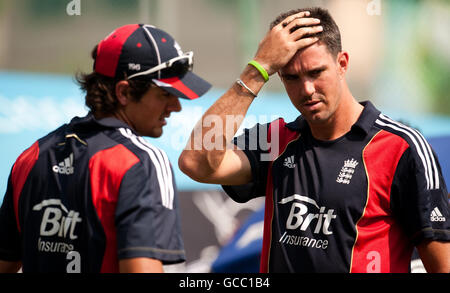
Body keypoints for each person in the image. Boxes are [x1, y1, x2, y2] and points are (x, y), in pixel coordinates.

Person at [178, 7, 449, 273]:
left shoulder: (402, 148)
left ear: (342, 63)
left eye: (316, 72)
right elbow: (196, 162)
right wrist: (257, 69)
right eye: (292, 77)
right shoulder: (276, 139)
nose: (306, 90)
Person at [0, 24, 211, 273]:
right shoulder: (141, 161)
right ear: (124, 92)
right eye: (165, 95)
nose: (176, 107)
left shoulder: (32, 156)